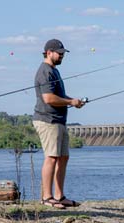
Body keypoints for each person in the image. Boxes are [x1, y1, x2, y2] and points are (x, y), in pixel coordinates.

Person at [33, 39, 84, 209]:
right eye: (59, 53)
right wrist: (71, 102)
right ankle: (47, 197)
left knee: (63, 157)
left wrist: (72, 101)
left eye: (63, 53)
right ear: (49, 52)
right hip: (48, 120)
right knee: (52, 157)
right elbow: (48, 98)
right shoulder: (44, 71)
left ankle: (59, 196)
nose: (62, 56)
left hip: (59, 121)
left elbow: (58, 96)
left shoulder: (54, 71)